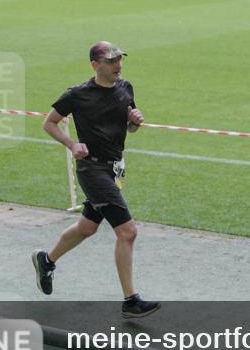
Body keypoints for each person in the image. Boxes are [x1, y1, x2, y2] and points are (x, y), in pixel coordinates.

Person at [32, 41, 159, 318]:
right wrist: (72, 144)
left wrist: (135, 122)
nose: (118, 65)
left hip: (114, 169)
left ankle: (47, 260)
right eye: (112, 60)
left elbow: (128, 128)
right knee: (127, 232)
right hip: (92, 170)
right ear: (95, 65)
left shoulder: (126, 88)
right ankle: (130, 301)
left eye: (119, 59)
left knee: (87, 227)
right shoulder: (77, 95)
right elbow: (49, 122)